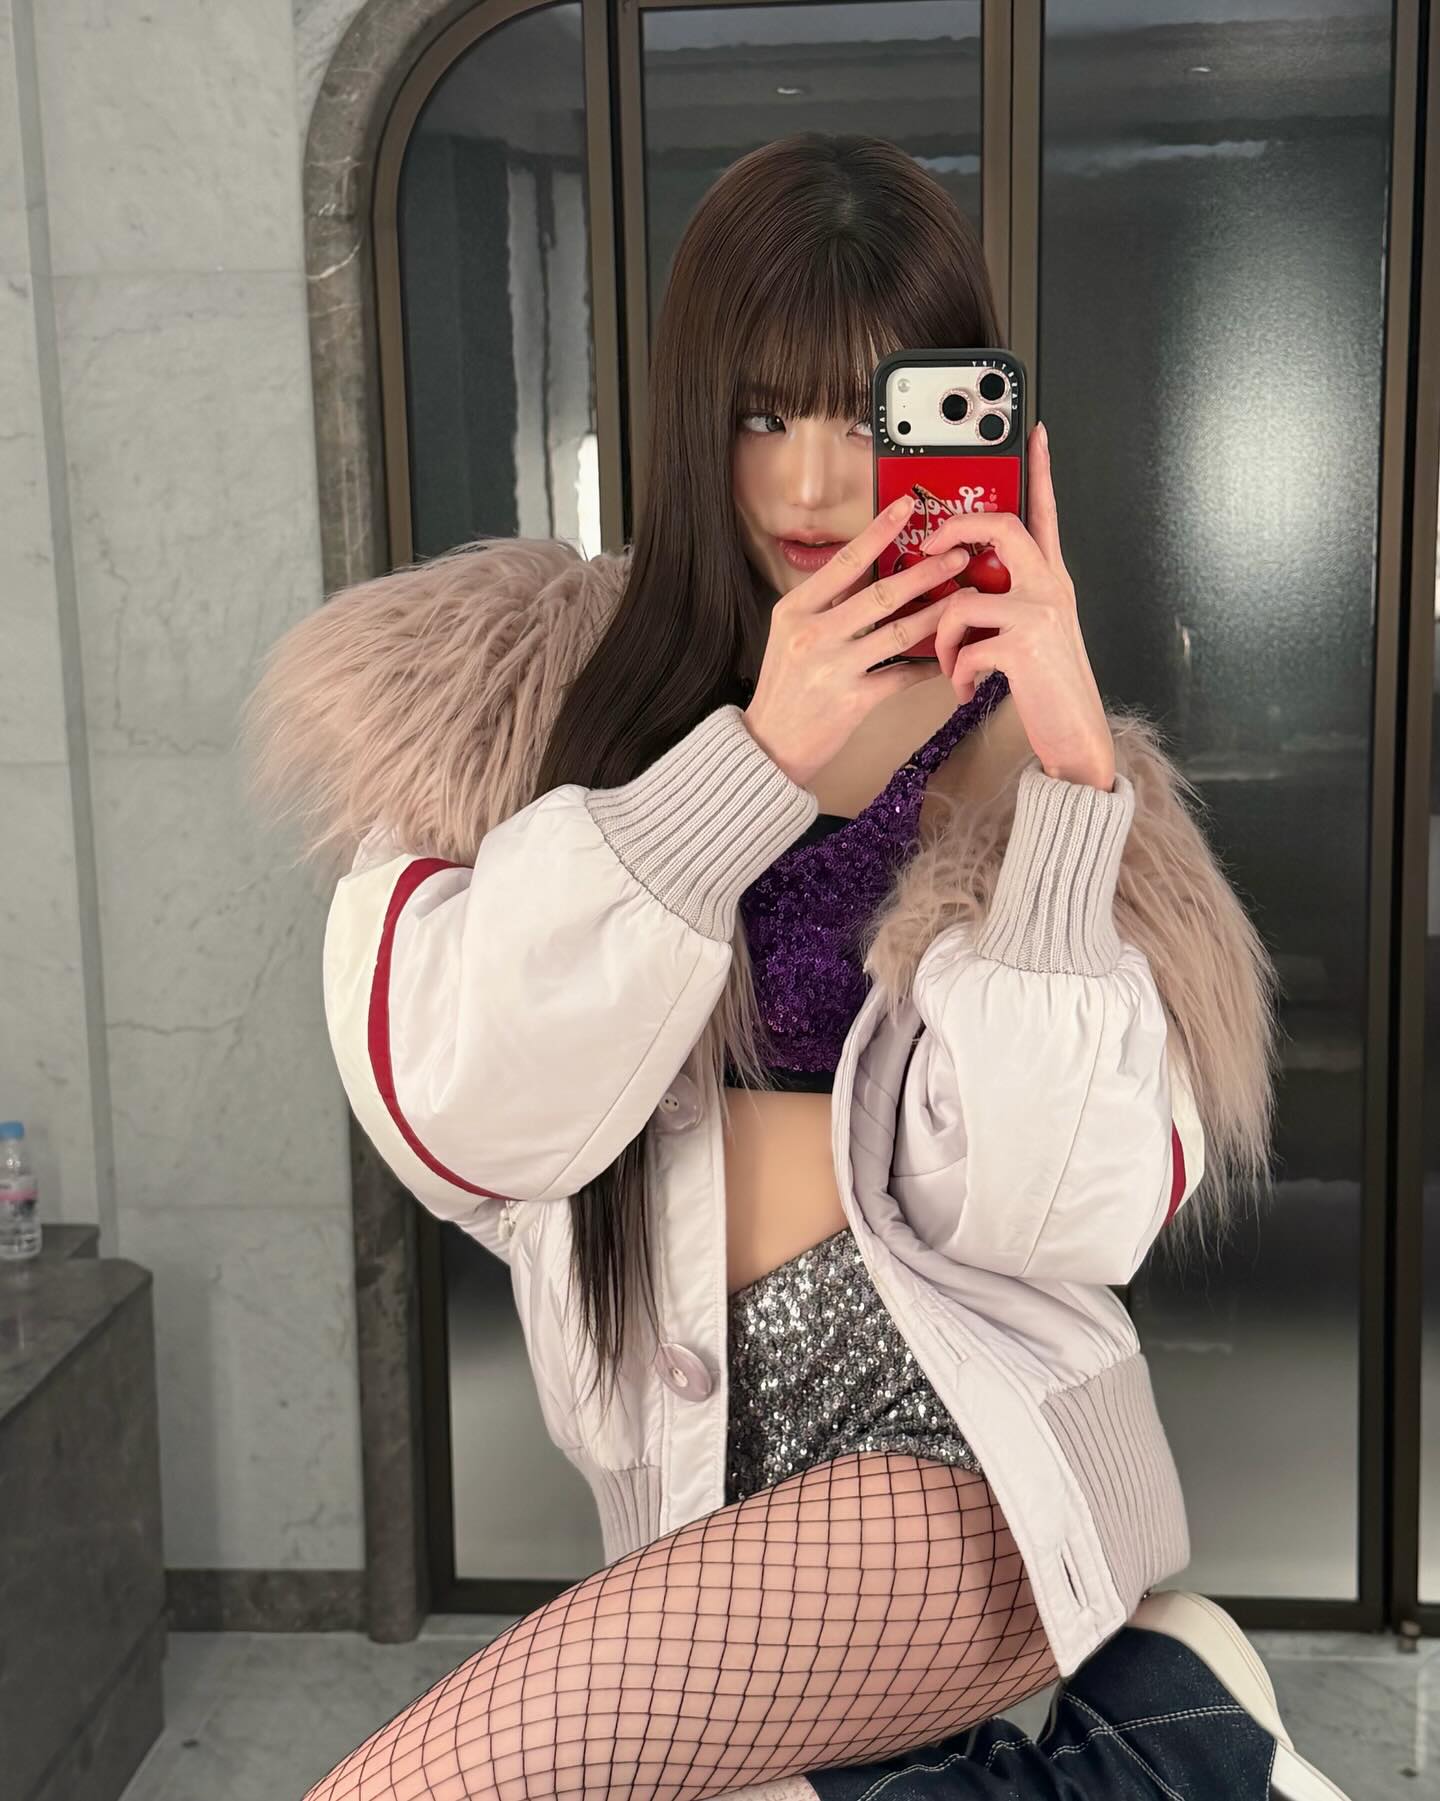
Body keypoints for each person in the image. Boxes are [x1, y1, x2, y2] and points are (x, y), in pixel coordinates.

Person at [249, 133, 1341, 1801]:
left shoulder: (1026, 752)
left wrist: (1068, 782)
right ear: (692, 413)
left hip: (970, 1478)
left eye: (873, 414)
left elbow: (1059, 1220)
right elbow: (462, 1115)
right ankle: (1164, 1745)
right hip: (702, 1505)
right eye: (765, 413)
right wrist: (752, 767)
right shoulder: (520, 699)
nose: (818, 485)